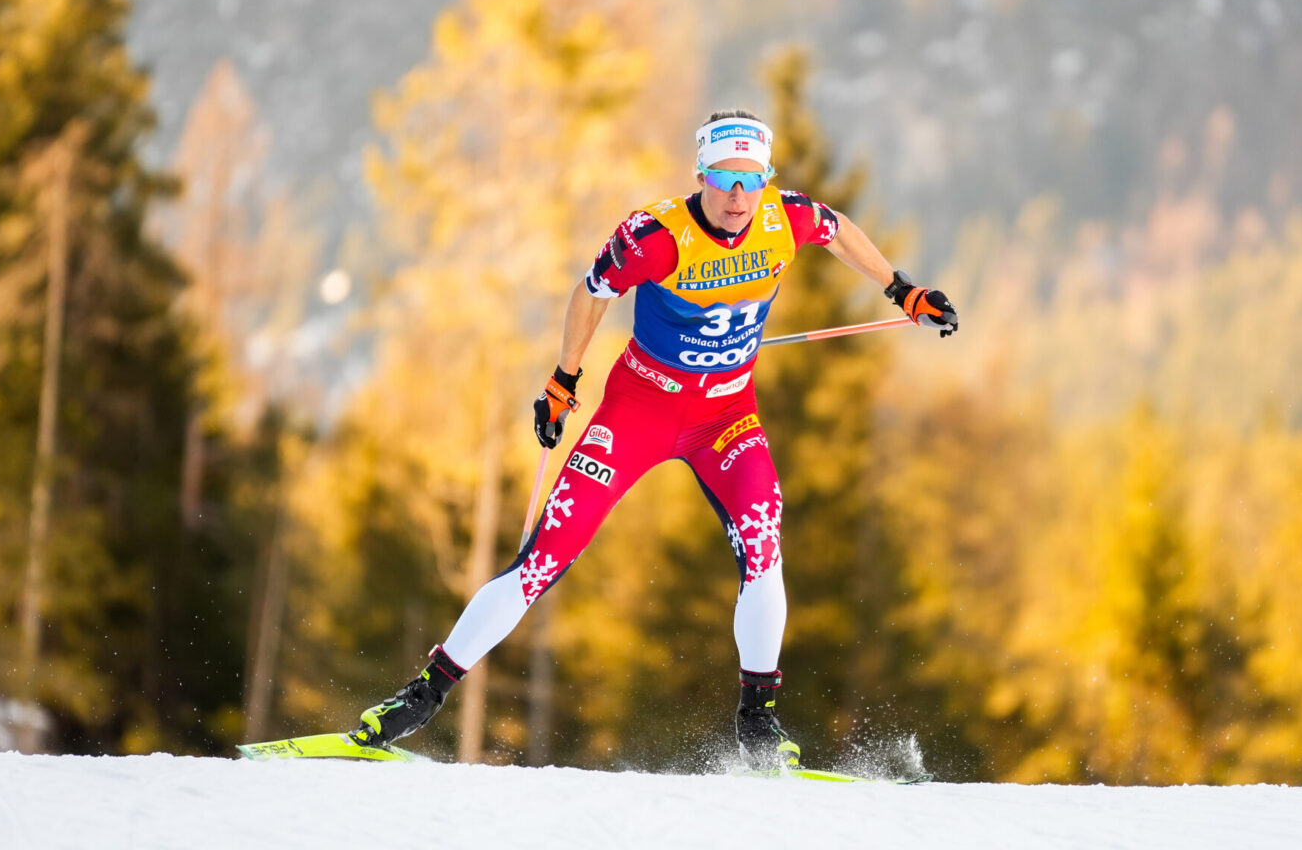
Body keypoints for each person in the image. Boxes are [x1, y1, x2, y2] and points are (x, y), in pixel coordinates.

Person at [348, 110, 958, 768]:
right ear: (701, 173)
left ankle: (760, 722)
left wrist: (903, 290)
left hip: (726, 418)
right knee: (545, 558)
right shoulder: (655, 236)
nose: (736, 196)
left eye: (751, 180)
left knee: (763, 544)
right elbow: (590, 294)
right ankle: (422, 697)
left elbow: (839, 232)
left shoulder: (787, 217)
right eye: (723, 178)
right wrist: (562, 382)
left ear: (766, 180)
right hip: (639, 412)